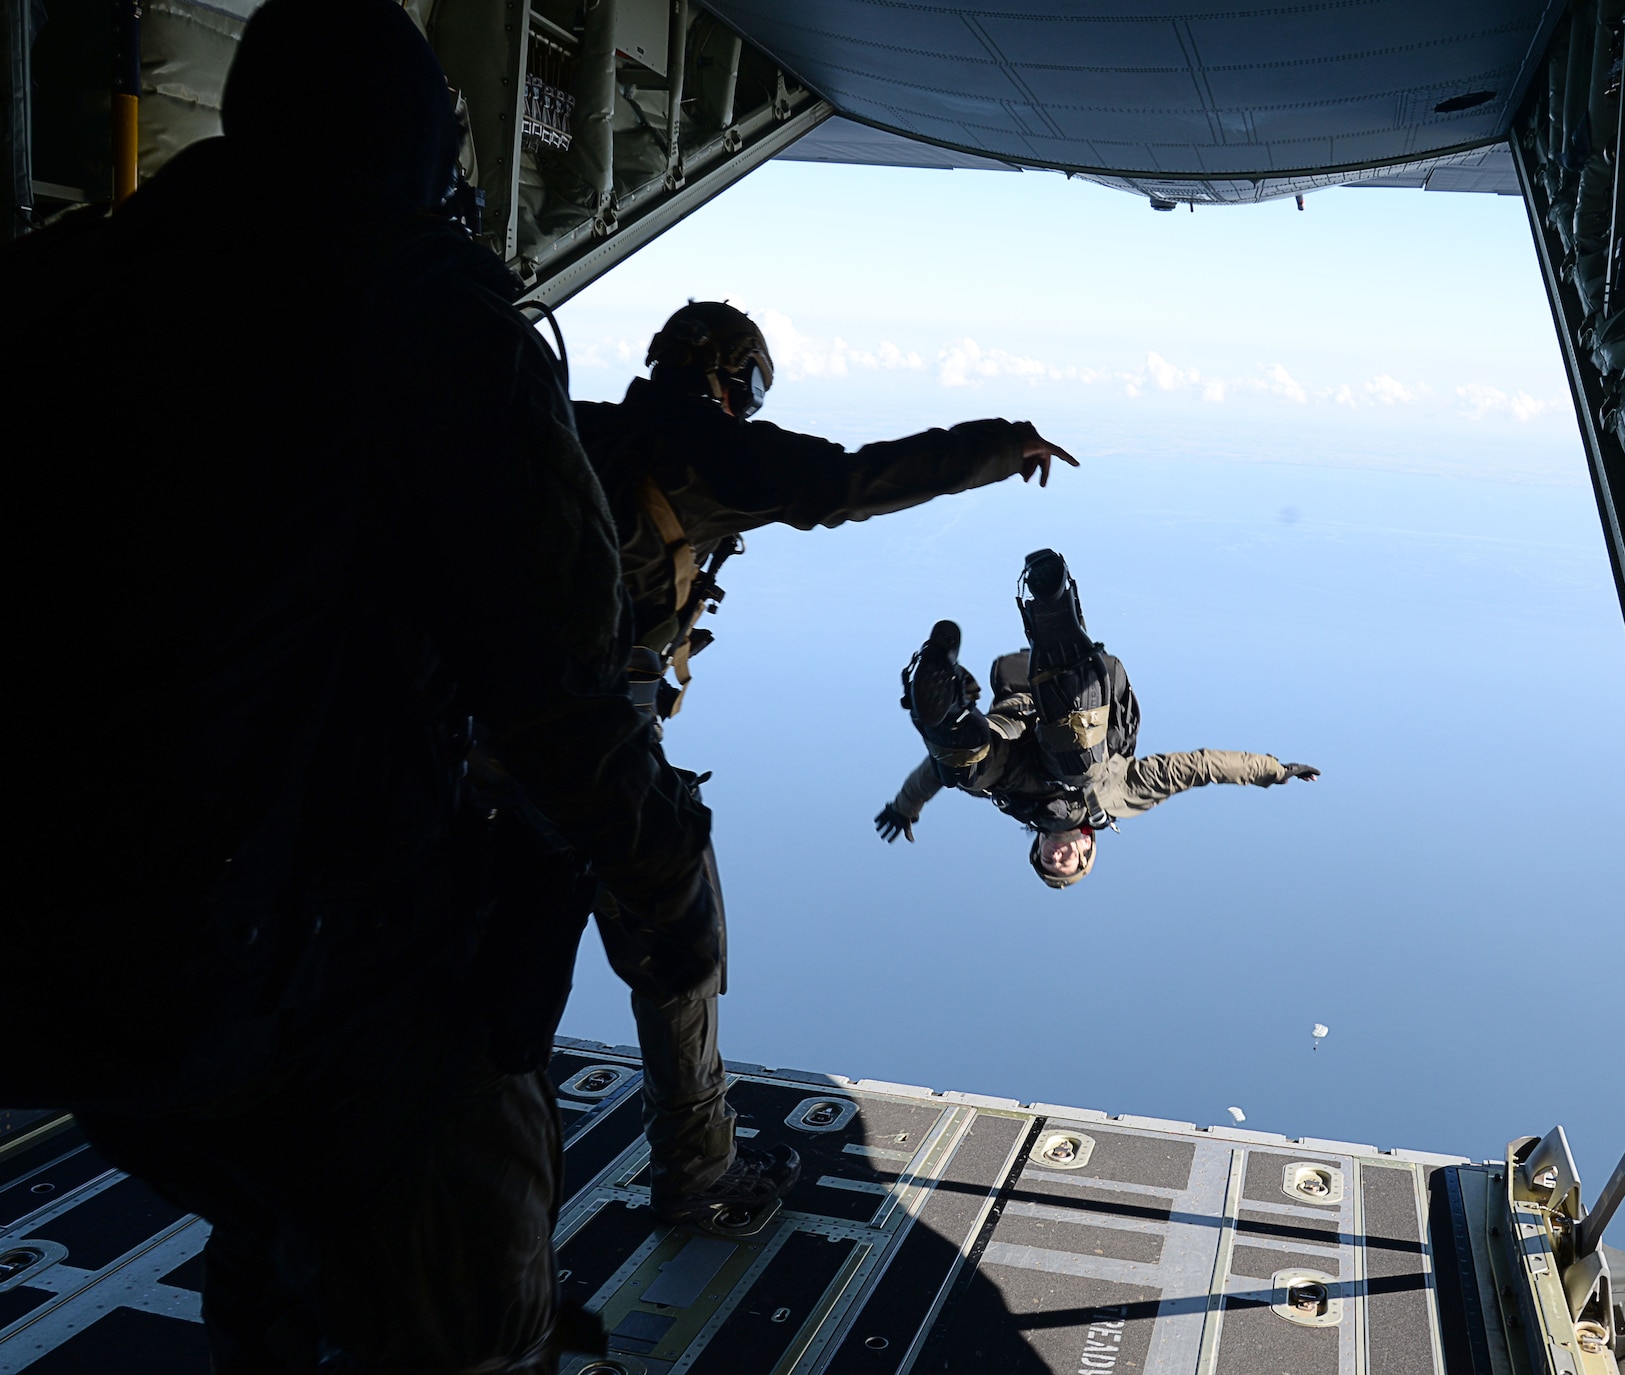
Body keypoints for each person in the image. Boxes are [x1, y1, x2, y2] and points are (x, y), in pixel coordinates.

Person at [1, 1, 710, 1369]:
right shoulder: (429, 325)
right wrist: (669, 901)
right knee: (468, 1301)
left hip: (59, 979)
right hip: (277, 968)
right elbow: (560, 695)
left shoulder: (67, 283)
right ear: (415, 154)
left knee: (267, 1216)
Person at [568, 301, 1079, 1223]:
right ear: (727, 377)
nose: (751, 407)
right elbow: (849, 482)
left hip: (478, 735)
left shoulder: (580, 425)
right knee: (680, 942)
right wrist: (1004, 445)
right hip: (592, 740)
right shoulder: (698, 447)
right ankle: (701, 1172)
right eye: (752, 387)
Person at [876, 551, 1319, 887]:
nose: (1054, 855)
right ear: (1088, 847)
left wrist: (905, 806)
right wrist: (1273, 771)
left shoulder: (1012, 804)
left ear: (1037, 845)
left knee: (964, 772)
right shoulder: (1121, 798)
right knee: (1080, 767)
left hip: (1011, 730)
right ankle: (1053, 611)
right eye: (1064, 863)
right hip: (1073, 720)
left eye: (1045, 859)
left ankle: (944, 703)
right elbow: (1199, 768)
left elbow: (931, 774)